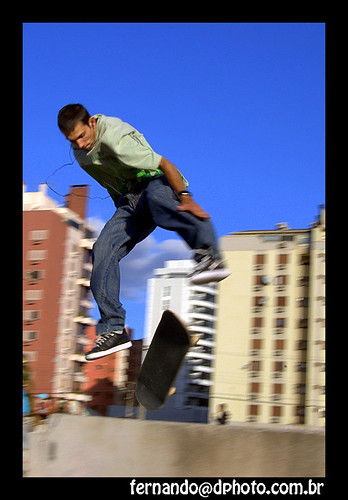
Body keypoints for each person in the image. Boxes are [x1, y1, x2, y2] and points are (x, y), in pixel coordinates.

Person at [57, 104, 230, 361]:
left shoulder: (115, 136)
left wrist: (184, 195)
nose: (80, 145)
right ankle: (113, 328)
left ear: (92, 122)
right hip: (130, 203)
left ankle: (209, 254)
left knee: (163, 206)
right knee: (102, 250)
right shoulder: (81, 154)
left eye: (82, 136)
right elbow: (110, 182)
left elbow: (163, 162)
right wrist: (123, 212)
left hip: (155, 182)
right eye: (73, 141)